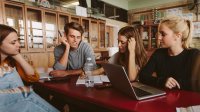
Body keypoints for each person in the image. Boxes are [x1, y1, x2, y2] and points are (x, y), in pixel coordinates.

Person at [0, 24, 59, 112]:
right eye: (13, 42)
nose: (18, 45)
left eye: (18, 41)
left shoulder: (9, 62)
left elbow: (33, 77)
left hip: (22, 101)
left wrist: (18, 57)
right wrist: (21, 91)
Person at [139, 15, 200, 91]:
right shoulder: (158, 53)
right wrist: (162, 81)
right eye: (159, 34)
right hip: (163, 99)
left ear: (177, 36)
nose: (159, 37)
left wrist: (173, 83)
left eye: (163, 34)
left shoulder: (195, 55)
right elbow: (142, 76)